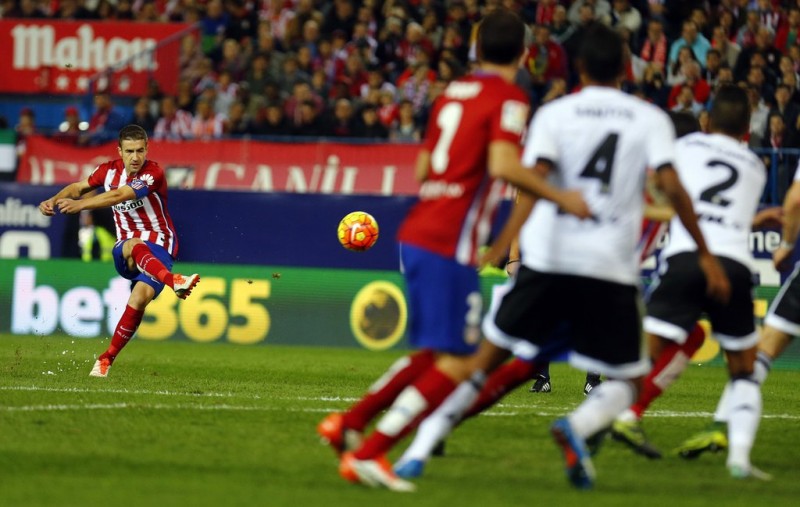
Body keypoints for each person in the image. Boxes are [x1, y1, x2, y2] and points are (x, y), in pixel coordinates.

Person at [334, 22, 729, 492]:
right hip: (608, 267)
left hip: (546, 259)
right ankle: (577, 426)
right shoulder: (650, 120)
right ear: (627, 67)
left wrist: (505, 245)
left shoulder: (552, 114)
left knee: (485, 362)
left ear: (578, 66)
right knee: (630, 379)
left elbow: (529, 184)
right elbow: (672, 187)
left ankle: (415, 448)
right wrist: (705, 253)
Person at [316, 9, 591, 492]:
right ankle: (371, 451)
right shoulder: (509, 97)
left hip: (420, 231)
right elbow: (505, 164)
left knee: (437, 354)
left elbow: (424, 167)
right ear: (526, 54)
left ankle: (349, 423)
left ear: (476, 50)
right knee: (464, 361)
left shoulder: (450, 94)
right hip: (451, 240)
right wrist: (561, 195)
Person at [610, 86, 771, 479]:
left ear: (705, 119)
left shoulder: (682, 150)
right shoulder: (756, 166)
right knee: (743, 369)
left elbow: (679, 200)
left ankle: (606, 416)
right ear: (748, 128)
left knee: (646, 352)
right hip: (730, 266)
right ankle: (739, 459)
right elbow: (722, 216)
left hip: (685, 259)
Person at [38, 125, 200, 378]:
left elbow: (118, 196)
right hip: (126, 246)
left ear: (147, 149)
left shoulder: (153, 172)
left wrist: (81, 206)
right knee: (135, 244)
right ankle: (174, 281)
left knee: (138, 300)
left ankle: (106, 359)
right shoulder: (107, 170)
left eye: (140, 151)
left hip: (161, 244)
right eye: (130, 151)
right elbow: (78, 187)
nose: (136, 157)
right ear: (120, 151)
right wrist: (53, 199)